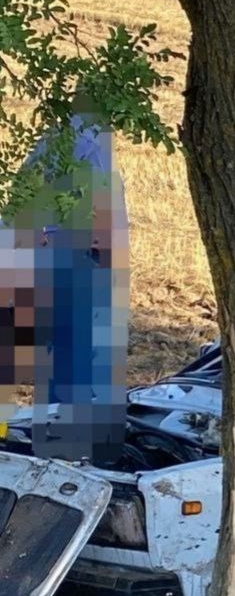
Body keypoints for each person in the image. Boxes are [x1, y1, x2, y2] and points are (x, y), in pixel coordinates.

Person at [12, 90, 129, 463]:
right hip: (69, 257)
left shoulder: (55, 139)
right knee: (77, 356)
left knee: (60, 355)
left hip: (44, 254)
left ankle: (54, 441)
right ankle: (72, 451)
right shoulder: (90, 141)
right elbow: (95, 209)